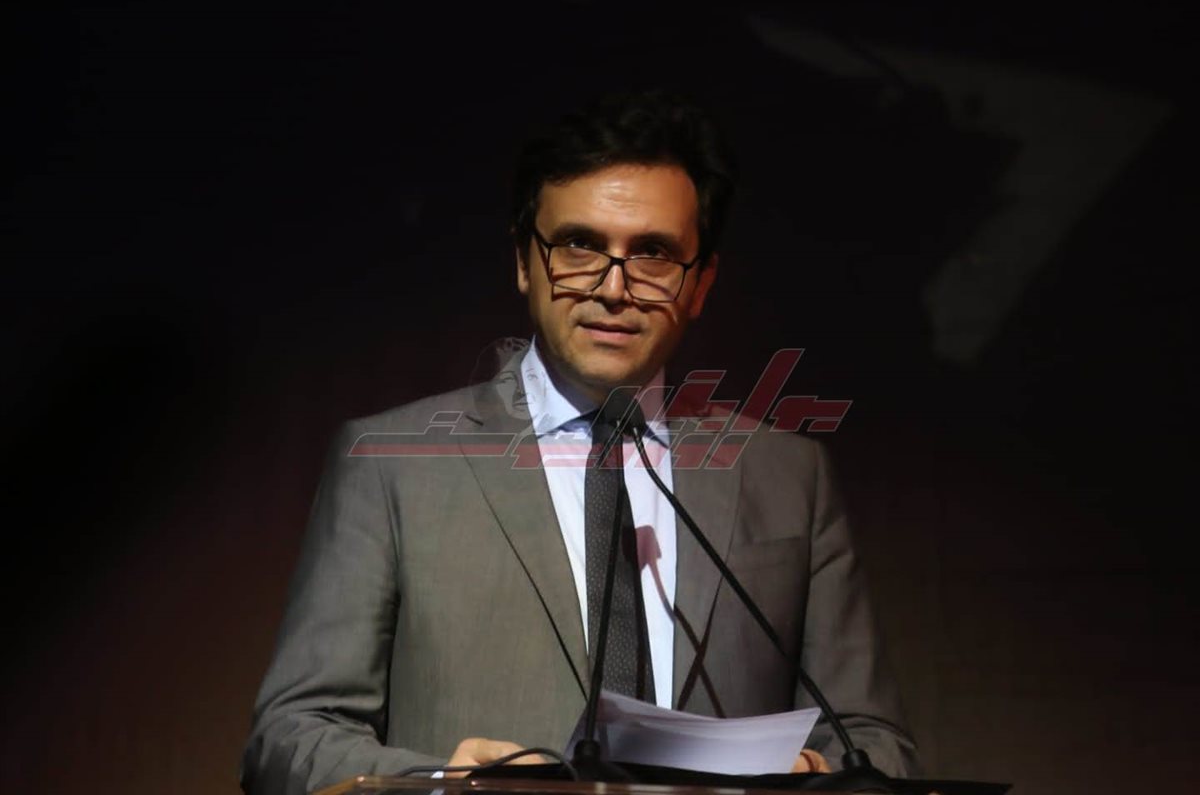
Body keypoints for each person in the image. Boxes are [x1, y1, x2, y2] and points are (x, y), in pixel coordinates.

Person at [240, 90, 920, 795]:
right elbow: (291, 738)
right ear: (525, 261)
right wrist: (442, 783)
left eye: (653, 254)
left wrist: (816, 779)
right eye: (579, 246)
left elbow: (874, 745)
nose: (613, 288)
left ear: (701, 284)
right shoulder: (392, 467)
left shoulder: (789, 476)